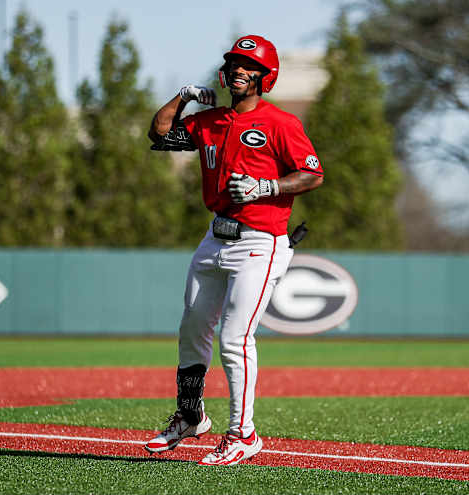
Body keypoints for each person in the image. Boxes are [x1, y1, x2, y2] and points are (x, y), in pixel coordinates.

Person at [144, 35, 324, 466]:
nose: (239, 70)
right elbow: (160, 133)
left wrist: (269, 186)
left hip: (261, 241)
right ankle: (191, 416)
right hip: (215, 238)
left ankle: (244, 434)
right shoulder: (209, 120)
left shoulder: (280, 122)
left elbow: (313, 174)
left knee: (234, 338)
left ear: (266, 75)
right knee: (192, 330)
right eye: (234, 63)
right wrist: (184, 96)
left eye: (249, 65)